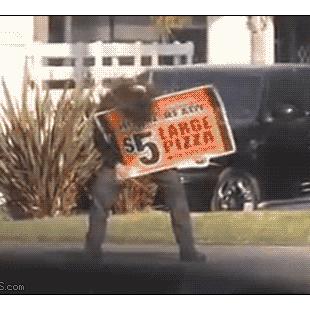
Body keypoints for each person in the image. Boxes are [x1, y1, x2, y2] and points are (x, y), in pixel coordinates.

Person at [85, 80, 206, 262]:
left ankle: (188, 250)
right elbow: (99, 140)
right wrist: (116, 163)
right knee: (101, 197)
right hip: (120, 157)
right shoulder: (107, 109)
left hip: (154, 154)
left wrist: (192, 156)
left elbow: (173, 135)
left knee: (176, 190)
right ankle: (91, 251)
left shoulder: (156, 102)